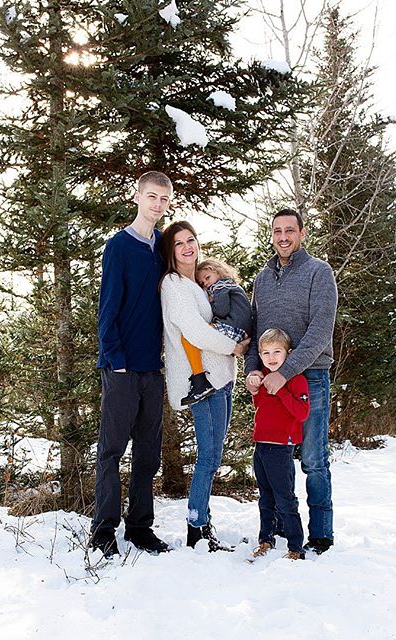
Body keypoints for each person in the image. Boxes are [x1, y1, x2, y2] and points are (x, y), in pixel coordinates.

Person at [89, 171, 173, 559]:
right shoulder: (119, 246)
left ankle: (140, 527)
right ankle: (104, 529)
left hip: (150, 370)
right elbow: (107, 309)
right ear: (137, 197)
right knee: (111, 450)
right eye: (151, 197)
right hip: (121, 367)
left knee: (147, 452)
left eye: (164, 199)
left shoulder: (162, 248)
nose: (158, 204)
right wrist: (115, 360)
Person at [245, 208, 338, 555]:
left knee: (313, 459)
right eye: (277, 231)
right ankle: (283, 525)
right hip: (271, 384)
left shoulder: (319, 272)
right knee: (274, 459)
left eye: (290, 230)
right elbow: (256, 333)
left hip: (308, 377)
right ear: (272, 235)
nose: (283, 237)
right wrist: (254, 371)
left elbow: (319, 332)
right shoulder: (263, 279)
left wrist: (286, 372)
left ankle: (321, 533)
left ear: (302, 233)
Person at [159, 221, 249, 551]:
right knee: (208, 458)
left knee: (213, 456)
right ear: (170, 251)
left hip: (222, 378)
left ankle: (204, 522)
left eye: (191, 240)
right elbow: (195, 332)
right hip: (204, 383)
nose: (187, 247)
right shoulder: (173, 284)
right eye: (179, 243)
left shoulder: (197, 283)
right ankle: (196, 528)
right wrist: (234, 347)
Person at [249, 328, 310, 561]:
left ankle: (296, 546)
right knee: (265, 497)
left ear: (288, 354)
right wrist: (255, 386)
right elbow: (261, 406)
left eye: (277, 351)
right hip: (261, 445)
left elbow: (302, 413)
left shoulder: (296, 379)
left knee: (284, 497)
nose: (271, 357)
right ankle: (266, 539)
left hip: (281, 446)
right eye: (265, 353)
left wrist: (281, 390)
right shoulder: (264, 376)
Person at [179, 258, 252, 406]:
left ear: (217, 271)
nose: (206, 283)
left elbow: (222, 310)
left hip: (234, 327)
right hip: (239, 330)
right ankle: (200, 380)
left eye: (207, 278)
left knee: (190, 336)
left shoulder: (220, 287)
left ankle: (199, 380)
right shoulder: (231, 285)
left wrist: (211, 301)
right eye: (202, 283)